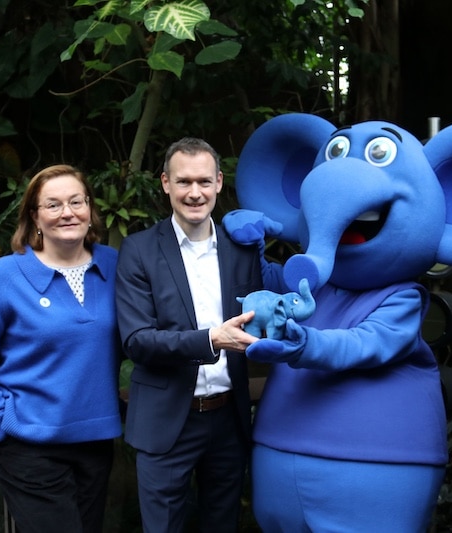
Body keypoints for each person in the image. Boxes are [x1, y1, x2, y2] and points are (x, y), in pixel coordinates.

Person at [0, 164, 122, 533]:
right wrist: (1, 419)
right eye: (53, 204)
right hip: (30, 446)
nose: (68, 213)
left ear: (91, 210)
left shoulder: (114, 266)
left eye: (77, 201)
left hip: (95, 442)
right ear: (35, 216)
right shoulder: (4, 276)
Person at [115, 137, 263, 533]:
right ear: (165, 183)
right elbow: (137, 341)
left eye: (203, 181)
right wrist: (211, 339)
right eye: (183, 182)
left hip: (229, 419)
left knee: (223, 525)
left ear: (218, 182)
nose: (194, 193)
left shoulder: (243, 248)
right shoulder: (139, 250)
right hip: (167, 423)